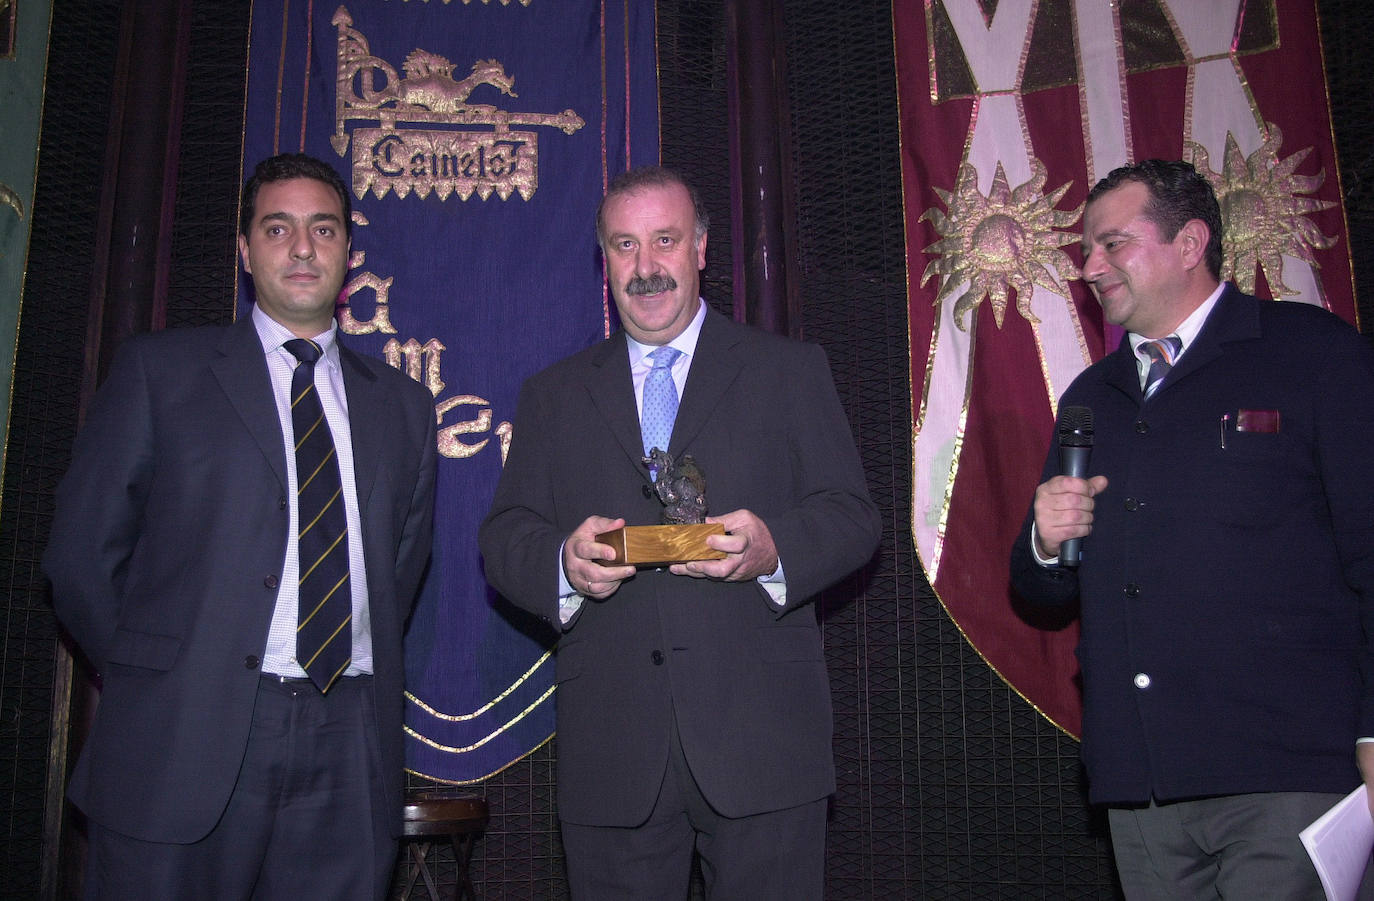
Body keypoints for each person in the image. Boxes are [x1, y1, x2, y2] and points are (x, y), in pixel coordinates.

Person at [479, 166, 879, 899]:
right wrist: (564, 564)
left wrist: (773, 549)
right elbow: (505, 537)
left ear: (700, 248)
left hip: (764, 743)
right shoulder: (552, 394)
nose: (645, 265)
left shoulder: (788, 370)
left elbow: (852, 516)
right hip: (614, 751)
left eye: (664, 240)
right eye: (624, 245)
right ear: (604, 259)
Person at [44, 153, 438, 899]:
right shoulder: (160, 373)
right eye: (278, 228)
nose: (302, 248)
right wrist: (155, 673)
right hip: (180, 738)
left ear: (349, 255)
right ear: (245, 249)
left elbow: (399, 570)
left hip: (349, 744)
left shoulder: (405, 409)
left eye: (324, 229)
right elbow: (81, 558)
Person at [1010, 158, 1374, 898]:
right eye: (1087, 249)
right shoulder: (1093, 395)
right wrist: (1044, 543)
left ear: (1190, 242)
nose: (1090, 266)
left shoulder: (1311, 353)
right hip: (1143, 788)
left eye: (1113, 243)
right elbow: (1043, 595)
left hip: (1289, 773)